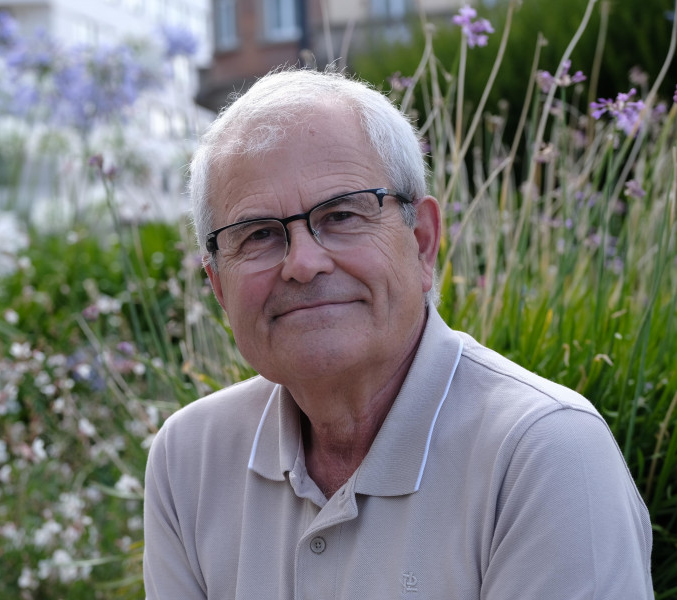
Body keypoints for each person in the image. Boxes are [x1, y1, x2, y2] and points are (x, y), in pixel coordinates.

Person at [142, 68, 654, 599]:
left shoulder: (544, 455)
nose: (304, 262)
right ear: (219, 286)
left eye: (341, 214)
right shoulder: (189, 459)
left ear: (423, 242)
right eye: (259, 235)